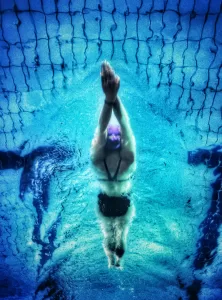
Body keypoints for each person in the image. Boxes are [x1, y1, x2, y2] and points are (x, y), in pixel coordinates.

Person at [90, 61, 136, 268]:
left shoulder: (97, 161)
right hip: (123, 202)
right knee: (122, 234)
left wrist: (109, 100)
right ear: (121, 143)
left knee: (107, 232)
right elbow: (124, 123)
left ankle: (110, 260)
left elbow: (101, 128)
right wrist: (114, 99)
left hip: (104, 203)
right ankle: (120, 259)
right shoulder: (128, 161)